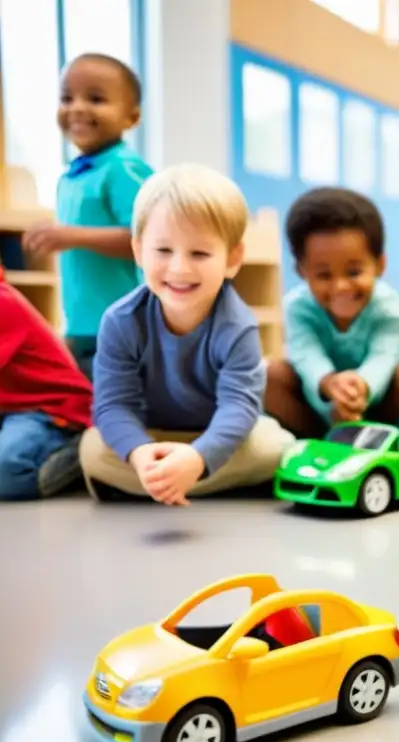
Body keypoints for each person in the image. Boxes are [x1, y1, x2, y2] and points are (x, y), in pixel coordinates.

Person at [78, 164, 294, 503]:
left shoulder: (238, 326)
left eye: (200, 253)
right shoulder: (120, 320)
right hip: (153, 436)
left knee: (274, 446)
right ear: (138, 251)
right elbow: (113, 405)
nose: (179, 268)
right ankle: (174, 480)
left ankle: (171, 481)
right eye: (163, 251)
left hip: (217, 437)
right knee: (93, 449)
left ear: (232, 259)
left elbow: (239, 408)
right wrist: (139, 453)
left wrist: (198, 457)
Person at [22, 53, 153, 380]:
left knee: (115, 409)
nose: (77, 107)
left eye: (96, 98)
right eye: (67, 97)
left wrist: (73, 235)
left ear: (132, 117)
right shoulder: (71, 177)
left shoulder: (123, 168)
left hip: (121, 326)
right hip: (82, 325)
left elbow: (148, 238)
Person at [264, 187, 399, 439]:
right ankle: (323, 438)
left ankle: (388, 439)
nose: (340, 287)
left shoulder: (387, 306)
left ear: (379, 265)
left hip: (380, 404)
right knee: (270, 375)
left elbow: (383, 357)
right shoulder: (297, 307)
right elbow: (307, 356)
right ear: (301, 271)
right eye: (324, 275)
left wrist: (360, 388)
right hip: (322, 407)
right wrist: (329, 386)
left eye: (353, 272)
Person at [0, 268, 92, 501]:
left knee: (6, 472)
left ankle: (83, 450)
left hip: (51, 410)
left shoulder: (3, 302)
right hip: (10, 412)